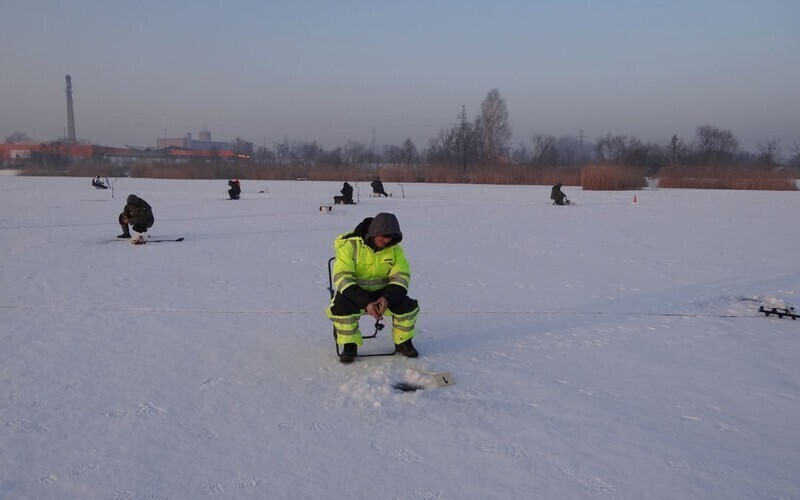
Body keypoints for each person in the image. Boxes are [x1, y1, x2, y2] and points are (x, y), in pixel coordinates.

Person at [326, 212, 419, 363]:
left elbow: (401, 276)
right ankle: (349, 345)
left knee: (408, 307)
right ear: (374, 231)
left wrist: (387, 299)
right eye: (384, 235)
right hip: (354, 293)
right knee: (340, 308)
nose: (387, 240)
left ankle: (404, 342)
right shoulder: (349, 246)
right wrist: (365, 303)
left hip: (383, 294)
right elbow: (342, 277)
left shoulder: (395, 250)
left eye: (391, 237)